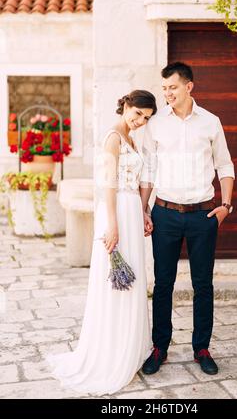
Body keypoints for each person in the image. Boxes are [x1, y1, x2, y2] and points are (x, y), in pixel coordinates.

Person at [46, 90, 157, 395]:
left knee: (132, 279)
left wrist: (143, 211)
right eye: (137, 114)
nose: (139, 121)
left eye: (145, 118)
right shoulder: (114, 138)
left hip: (132, 210)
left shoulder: (132, 138)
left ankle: (131, 346)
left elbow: (137, 181)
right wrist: (112, 224)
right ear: (126, 106)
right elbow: (108, 184)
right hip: (117, 210)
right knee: (115, 283)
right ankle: (111, 354)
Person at [140, 62, 235, 376]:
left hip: (202, 215)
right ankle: (160, 348)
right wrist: (144, 209)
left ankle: (202, 348)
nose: (167, 93)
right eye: (164, 88)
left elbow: (225, 165)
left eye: (173, 87)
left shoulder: (210, 122)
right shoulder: (156, 124)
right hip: (165, 213)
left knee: (203, 285)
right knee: (163, 284)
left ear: (189, 86)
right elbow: (149, 170)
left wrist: (225, 206)